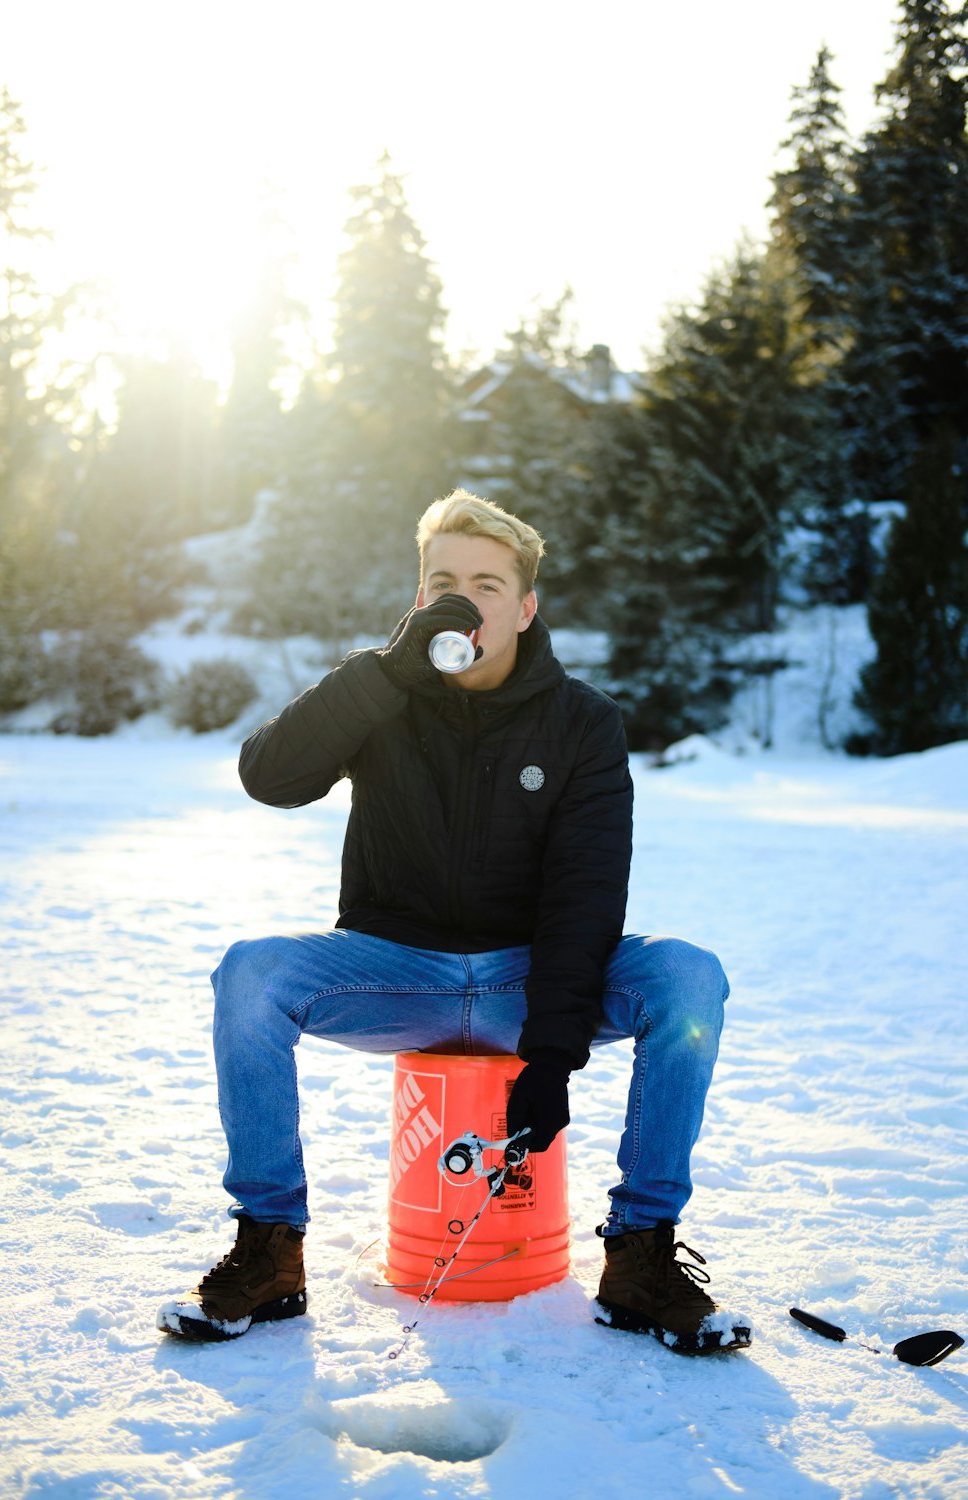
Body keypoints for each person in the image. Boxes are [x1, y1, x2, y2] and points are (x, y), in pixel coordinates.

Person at [157, 490, 751, 1353]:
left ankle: (642, 1255)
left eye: (486, 582)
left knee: (687, 975)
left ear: (525, 605)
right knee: (251, 973)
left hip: (527, 976)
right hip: (394, 971)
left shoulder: (584, 722)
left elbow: (586, 895)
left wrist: (551, 1053)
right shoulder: (381, 693)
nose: (464, 599)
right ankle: (270, 1250)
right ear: (419, 595)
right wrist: (384, 669)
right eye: (443, 580)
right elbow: (268, 776)